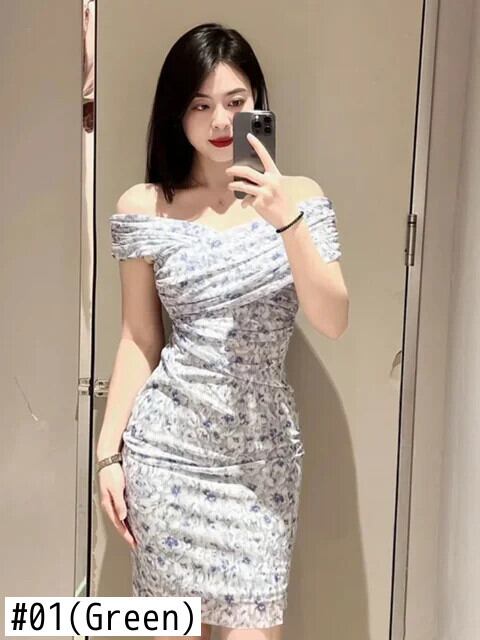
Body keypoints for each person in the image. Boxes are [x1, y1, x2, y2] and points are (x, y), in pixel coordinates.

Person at [96, 22, 349, 640]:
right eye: (199, 104)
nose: (218, 120)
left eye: (235, 102)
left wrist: (284, 219)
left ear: (257, 101)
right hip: (167, 458)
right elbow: (138, 339)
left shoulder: (299, 197)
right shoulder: (144, 207)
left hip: (261, 463)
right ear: (175, 112)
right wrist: (107, 455)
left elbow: (333, 320)